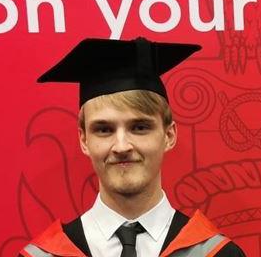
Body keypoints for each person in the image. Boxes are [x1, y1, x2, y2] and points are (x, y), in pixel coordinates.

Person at [19, 37, 246, 257]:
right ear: (84, 140)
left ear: (169, 135)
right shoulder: (44, 255)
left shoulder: (217, 253)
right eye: (104, 130)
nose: (121, 146)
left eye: (139, 127)